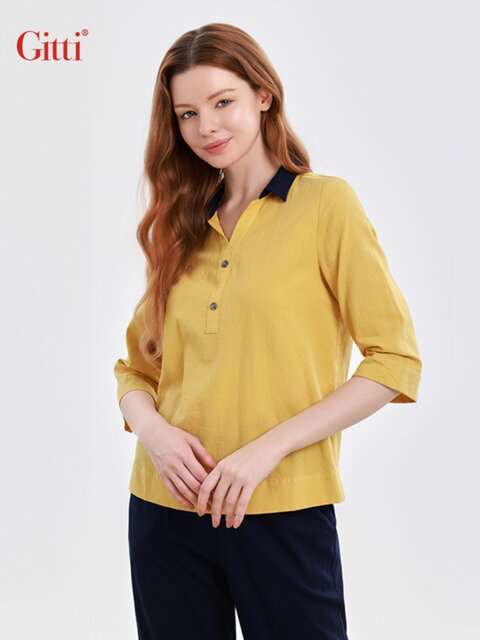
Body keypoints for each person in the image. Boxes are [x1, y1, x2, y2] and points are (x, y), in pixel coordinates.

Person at [113, 22, 422, 640]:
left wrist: (266, 450)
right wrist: (155, 435)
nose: (206, 127)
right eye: (187, 114)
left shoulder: (326, 206)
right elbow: (136, 371)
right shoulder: (181, 224)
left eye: (222, 101)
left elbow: (394, 361)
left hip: (282, 509)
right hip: (165, 511)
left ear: (263, 95)